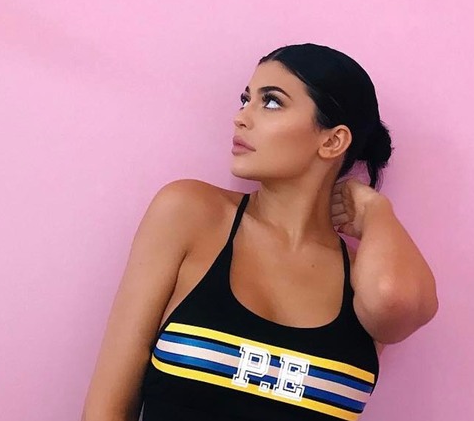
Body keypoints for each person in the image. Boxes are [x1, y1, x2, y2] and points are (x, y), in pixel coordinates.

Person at [81, 43, 439, 421]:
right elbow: (106, 407)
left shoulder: (366, 280)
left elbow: (393, 301)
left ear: (332, 140)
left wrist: (376, 212)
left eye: (270, 102)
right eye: (245, 99)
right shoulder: (191, 214)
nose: (241, 117)